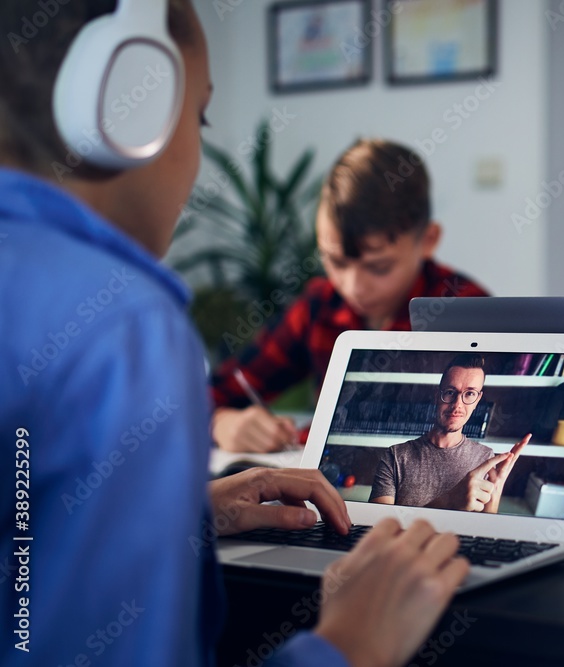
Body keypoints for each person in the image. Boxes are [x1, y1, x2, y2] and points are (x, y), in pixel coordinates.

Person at [0, 2, 468, 665]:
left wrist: (182, 515)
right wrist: (348, 646)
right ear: (126, 111)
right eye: (201, 114)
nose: (354, 284)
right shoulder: (121, 327)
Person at [210, 139, 490, 453]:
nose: (353, 286)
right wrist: (221, 422)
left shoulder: (466, 308)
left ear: (428, 240)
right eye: (336, 261)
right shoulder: (319, 306)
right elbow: (209, 394)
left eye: (380, 267)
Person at [370, 354, 530, 512]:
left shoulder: (486, 459)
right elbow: (378, 529)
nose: (457, 405)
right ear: (436, 396)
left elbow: (484, 533)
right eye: (450, 392)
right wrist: (449, 501)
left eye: (470, 394)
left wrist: (496, 490)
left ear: (477, 401)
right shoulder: (395, 456)